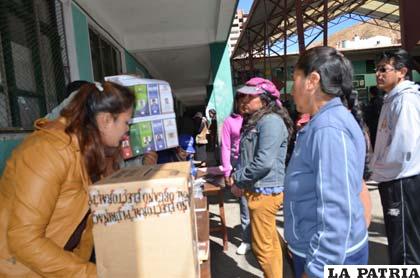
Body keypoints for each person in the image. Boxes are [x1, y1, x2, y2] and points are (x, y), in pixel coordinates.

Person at [0, 81, 134, 277]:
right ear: (106, 120)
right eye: (126, 123)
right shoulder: (47, 151)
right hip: (18, 271)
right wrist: (92, 274)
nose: (127, 132)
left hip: (58, 267)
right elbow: (24, 239)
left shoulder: (91, 152)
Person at [284, 46, 368, 278]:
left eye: (295, 80)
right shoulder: (323, 123)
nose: (291, 90)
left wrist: (319, 268)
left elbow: (337, 210)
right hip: (317, 250)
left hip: (331, 259)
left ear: (312, 80)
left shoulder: (328, 128)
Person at [231, 77, 294, 278]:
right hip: (259, 190)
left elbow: (263, 162)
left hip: (264, 193)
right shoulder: (258, 121)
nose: (244, 101)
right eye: (243, 96)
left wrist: (238, 178)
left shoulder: (270, 122)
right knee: (270, 243)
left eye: (250, 97)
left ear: (264, 99)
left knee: (263, 249)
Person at [370, 49, 420, 265]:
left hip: (401, 179)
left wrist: (380, 169)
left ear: (402, 72)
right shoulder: (392, 98)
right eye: (376, 70)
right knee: (399, 239)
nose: (378, 74)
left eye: (384, 69)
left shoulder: (405, 100)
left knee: (404, 245)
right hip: (392, 177)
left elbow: (404, 147)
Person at [220, 93, 251, 255]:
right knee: (245, 206)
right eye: (241, 100)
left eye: (248, 100)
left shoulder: (256, 119)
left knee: (260, 207)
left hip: (257, 166)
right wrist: (227, 171)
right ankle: (246, 241)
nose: (244, 104)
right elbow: (225, 147)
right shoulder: (229, 122)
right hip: (239, 168)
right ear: (237, 102)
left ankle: (259, 239)